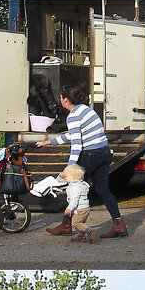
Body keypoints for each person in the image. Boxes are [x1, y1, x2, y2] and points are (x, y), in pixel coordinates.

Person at [36, 85, 126, 239]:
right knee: (103, 190)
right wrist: (49, 142)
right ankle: (119, 224)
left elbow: (77, 144)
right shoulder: (86, 110)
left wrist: (69, 168)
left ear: (65, 100)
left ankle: (67, 225)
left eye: (61, 97)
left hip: (91, 153)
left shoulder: (73, 116)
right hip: (103, 152)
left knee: (73, 185)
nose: (60, 100)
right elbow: (72, 135)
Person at [47, 163, 97, 243]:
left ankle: (90, 231)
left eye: (66, 176)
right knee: (80, 223)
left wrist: (69, 208)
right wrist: (62, 176)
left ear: (73, 177)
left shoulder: (75, 187)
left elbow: (74, 199)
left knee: (75, 223)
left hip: (80, 209)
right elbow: (60, 180)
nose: (64, 178)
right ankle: (81, 236)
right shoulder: (81, 183)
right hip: (85, 208)